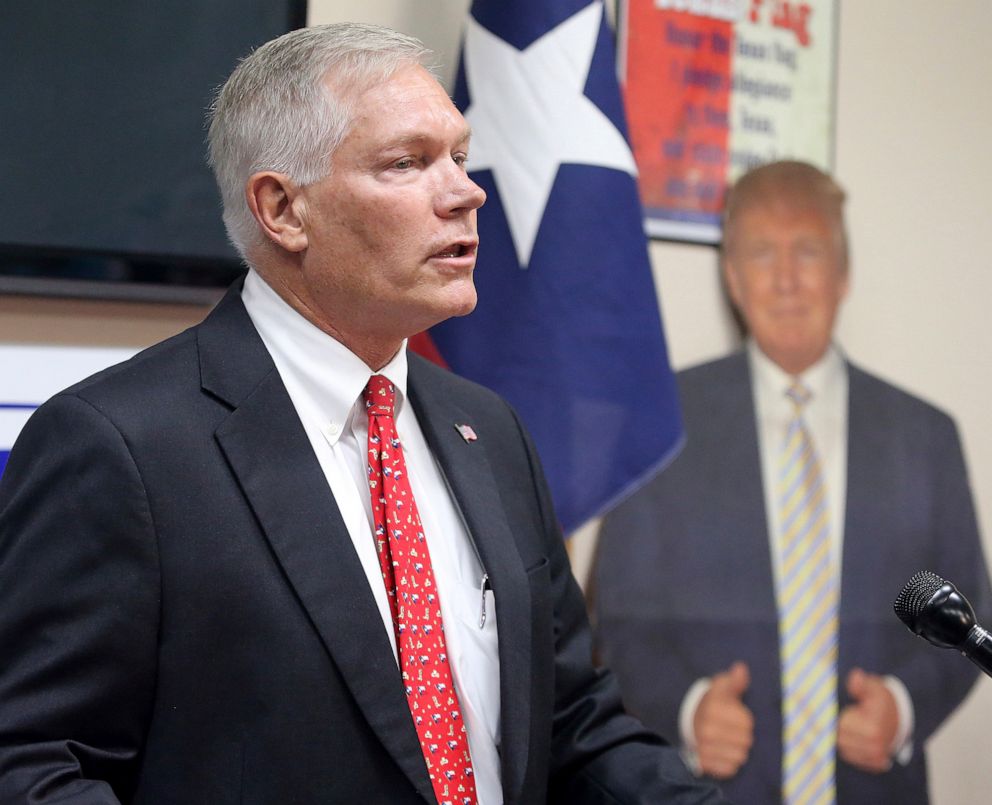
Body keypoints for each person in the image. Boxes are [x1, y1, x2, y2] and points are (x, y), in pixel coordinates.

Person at [0, 23, 727, 805]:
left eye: (457, 153)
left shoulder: (491, 431)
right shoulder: (120, 445)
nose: (466, 191)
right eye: (408, 163)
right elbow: (31, 762)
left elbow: (573, 727)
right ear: (283, 209)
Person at [593, 160, 991, 804]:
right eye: (759, 253)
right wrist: (688, 710)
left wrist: (905, 706)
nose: (784, 280)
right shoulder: (661, 422)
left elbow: (972, 610)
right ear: (731, 277)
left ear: (844, 273)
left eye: (807, 251)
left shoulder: (926, 436)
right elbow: (618, 622)